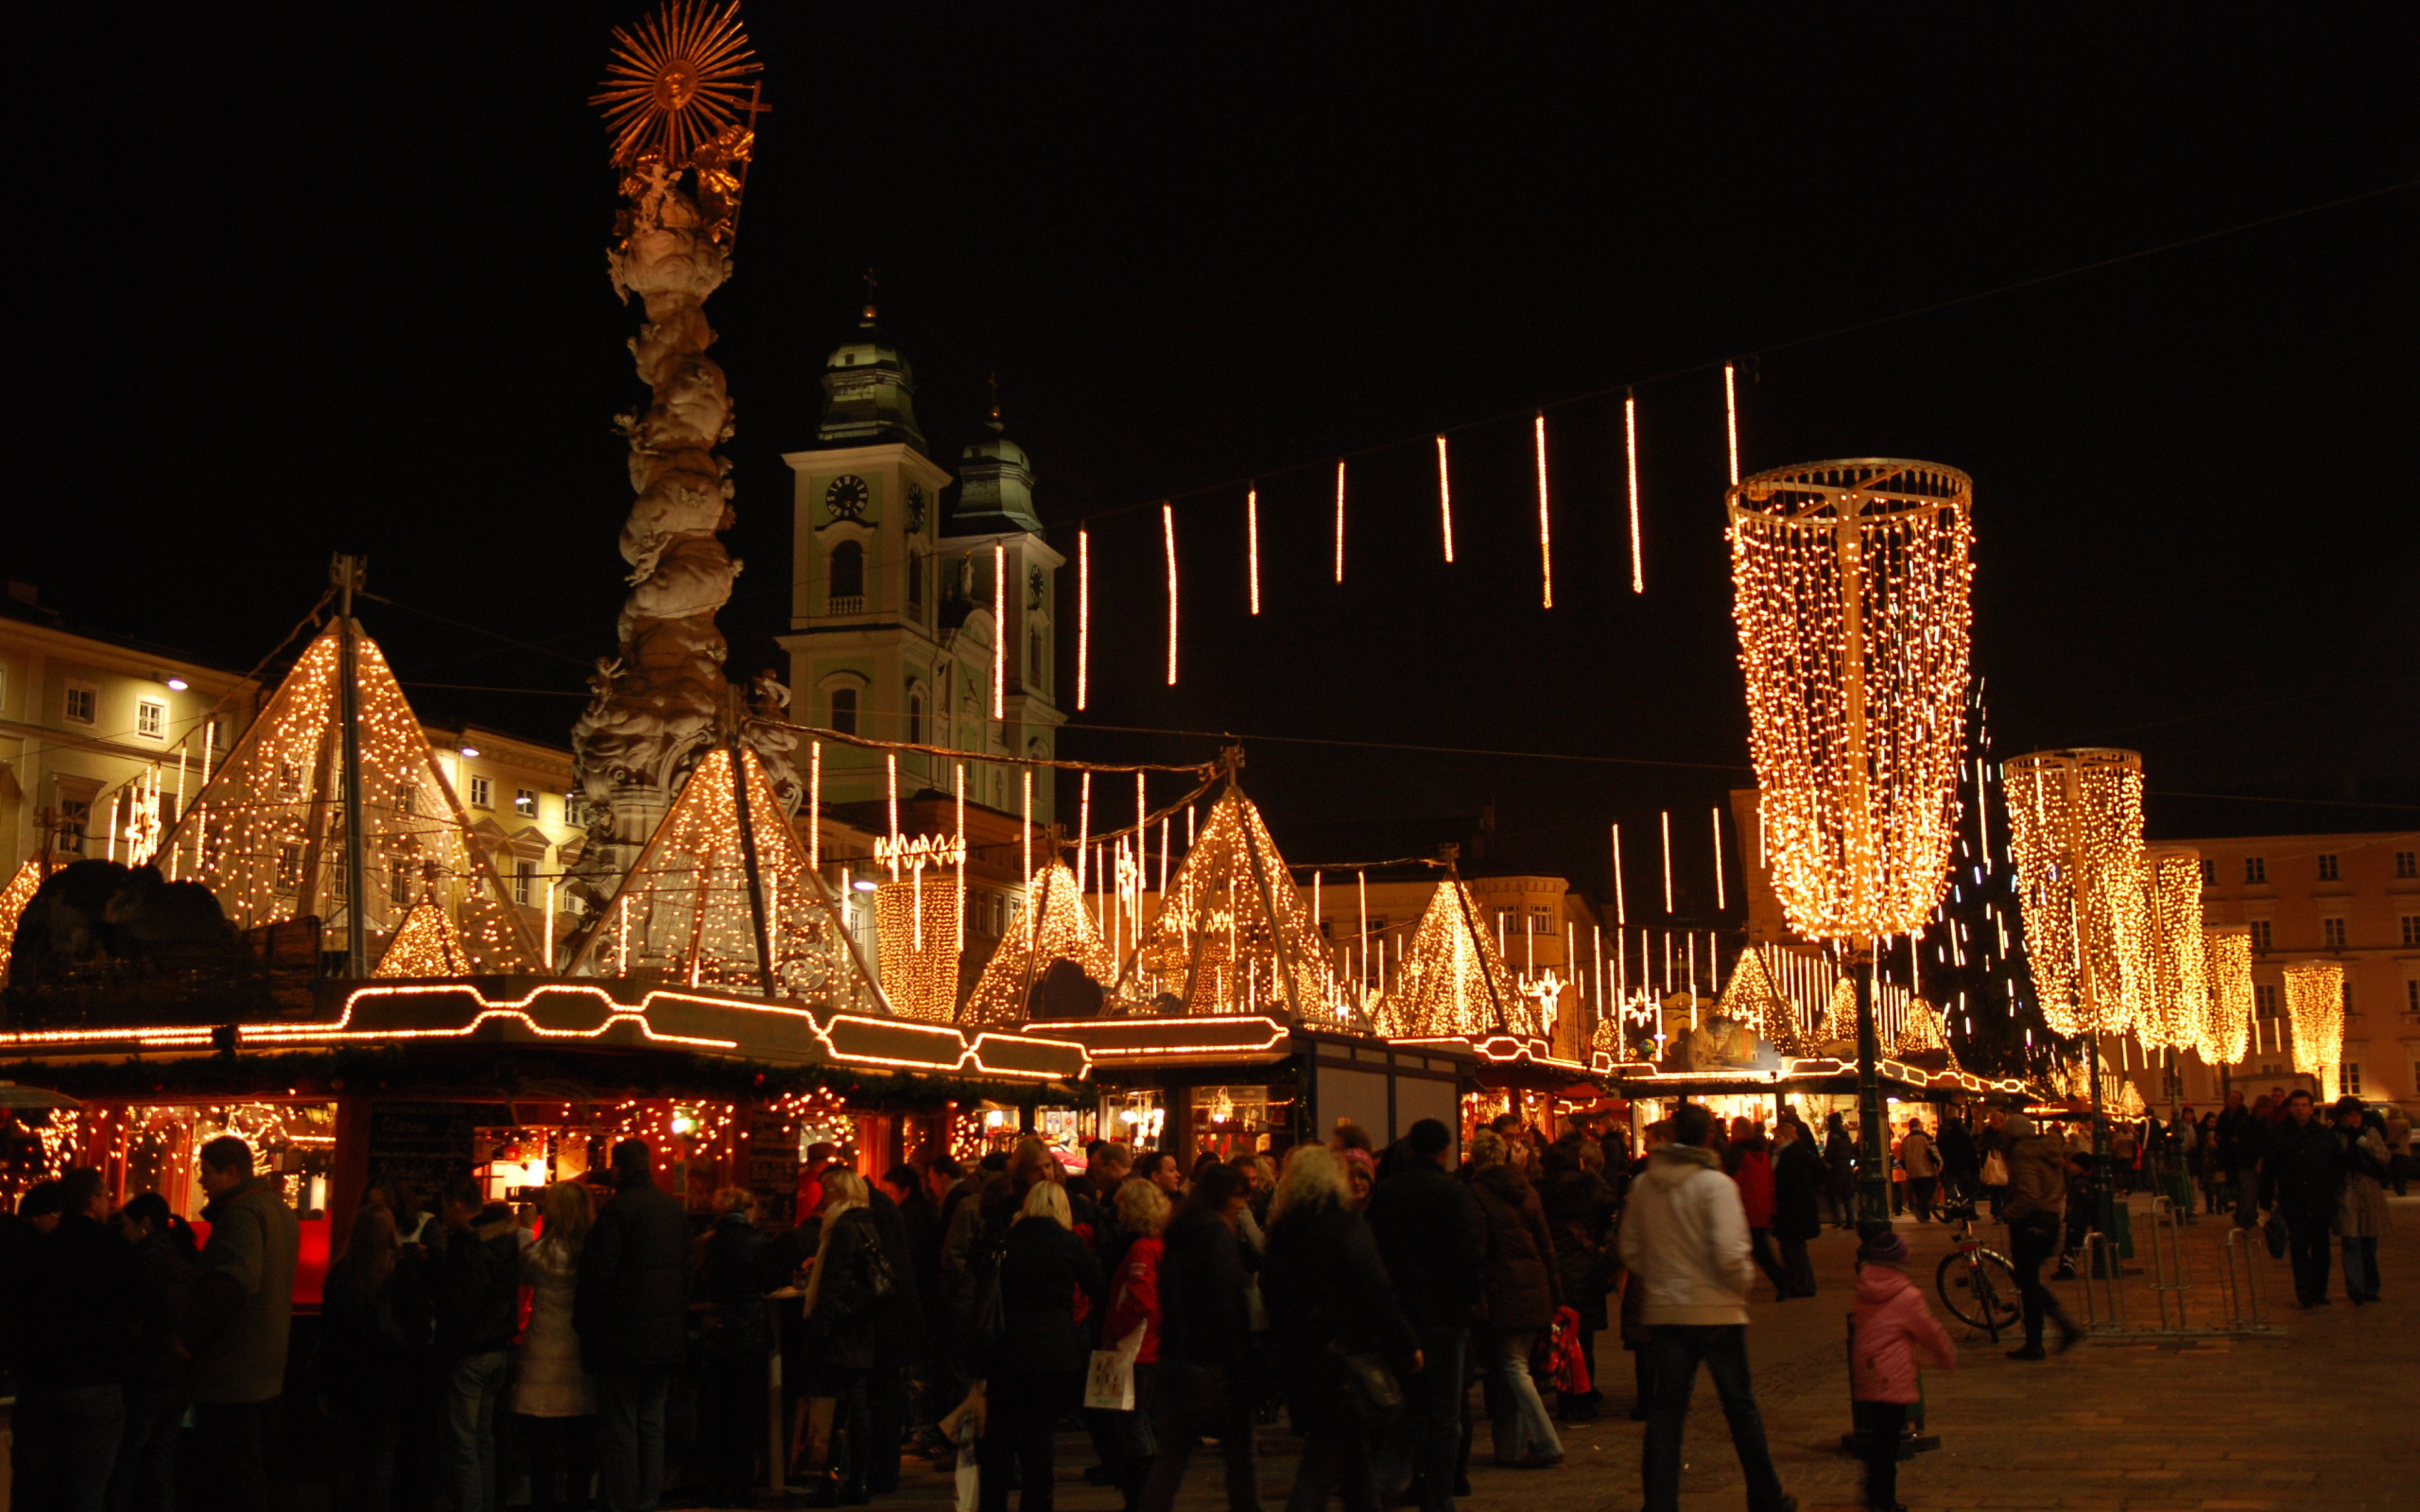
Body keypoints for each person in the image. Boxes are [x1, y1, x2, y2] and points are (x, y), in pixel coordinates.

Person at [1617, 1104, 1797, 1512]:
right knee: (1739, 1405)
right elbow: (1732, 1253)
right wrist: (1738, 1288)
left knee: (1667, 1412)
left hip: (1667, 1311)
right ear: (1708, 1139)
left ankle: (1660, 1502)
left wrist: (1662, 1278)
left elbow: (1629, 1247)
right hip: (1716, 1310)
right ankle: (1766, 1495)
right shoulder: (1714, 1185)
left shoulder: (1646, 1185)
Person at [1261, 1146, 1421, 1512]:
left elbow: (1271, 1291)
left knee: (1351, 1455)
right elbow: (1374, 1288)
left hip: (1302, 1353)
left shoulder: (1285, 1229)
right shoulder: (1343, 1223)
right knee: (1325, 1456)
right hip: (1344, 1354)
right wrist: (1405, 1341)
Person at [1363, 1119, 1484, 1512]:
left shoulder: (1386, 1195)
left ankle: (1400, 1479)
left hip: (1402, 1312)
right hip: (1445, 1315)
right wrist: (1467, 1300)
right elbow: (1468, 1255)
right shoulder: (1454, 1194)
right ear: (1445, 1150)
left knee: (1408, 1405)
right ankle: (1438, 1495)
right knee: (1446, 1412)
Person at [181, 1137, 302, 1512]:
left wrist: (188, 1339)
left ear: (231, 1172)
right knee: (249, 1470)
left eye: (207, 1172)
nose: (202, 1181)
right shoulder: (278, 1210)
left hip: (232, 1374)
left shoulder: (242, 1216)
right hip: (265, 1370)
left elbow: (234, 1281)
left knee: (230, 1476)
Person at [15, 1167, 143, 1512]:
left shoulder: (40, 1251)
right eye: (104, 1196)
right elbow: (139, 1308)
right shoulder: (115, 1250)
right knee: (85, 1493)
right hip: (96, 1381)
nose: (109, 1203)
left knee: (35, 1490)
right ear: (91, 1201)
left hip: (41, 1382)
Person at [1138, 1162, 1264, 1512]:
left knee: (1171, 1461)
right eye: (1240, 1196)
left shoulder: (1179, 1236)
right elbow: (1227, 1306)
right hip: (1215, 1365)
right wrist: (1241, 1365)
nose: (1243, 1204)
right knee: (1241, 1460)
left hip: (1177, 1358)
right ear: (1226, 1198)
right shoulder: (1217, 1238)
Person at [577, 1139, 693, 1512]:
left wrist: (587, 1326)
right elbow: (688, 1273)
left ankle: (623, 1501)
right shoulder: (673, 1212)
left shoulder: (617, 1212)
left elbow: (597, 1277)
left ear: (617, 1170)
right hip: (665, 1339)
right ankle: (648, 1498)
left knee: (621, 1427)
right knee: (651, 1422)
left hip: (622, 1339)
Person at [978, 1179, 1104, 1512]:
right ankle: (1037, 1501)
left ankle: (992, 1501)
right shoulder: (1069, 1243)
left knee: (1000, 1435)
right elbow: (1097, 1285)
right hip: (1054, 1348)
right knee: (1040, 1434)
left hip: (1007, 1347)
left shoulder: (1007, 1241)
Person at [317, 1205, 430, 1512]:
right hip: (391, 1383)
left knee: (346, 1462)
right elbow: (419, 1328)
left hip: (348, 1382)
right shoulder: (400, 1270)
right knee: (382, 1463)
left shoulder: (340, 1272)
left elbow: (328, 1335)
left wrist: (324, 1386)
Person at [1463, 1129, 1563, 1469]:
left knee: (1513, 1367)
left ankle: (1546, 1439)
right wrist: (1555, 1291)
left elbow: (1477, 1251)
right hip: (1534, 1286)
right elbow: (1546, 1244)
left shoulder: (1476, 1195)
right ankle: (1512, 1447)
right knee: (1520, 1368)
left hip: (1503, 1289)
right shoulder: (1527, 1190)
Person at [798, 1172, 889, 1504]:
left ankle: (830, 1479)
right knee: (857, 1402)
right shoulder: (868, 1224)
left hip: (841, 1330)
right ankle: (858, 1479)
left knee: (831, 1407)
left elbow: (836, 1280)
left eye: (827, 1192)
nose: (822, 1198)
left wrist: (823, 1323)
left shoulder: (843, 1227)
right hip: (861, 1330)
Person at [430, 1177, 520, 1512]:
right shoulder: (503, 1239)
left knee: (463, 1443)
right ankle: (487, 1501)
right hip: (499, 1349)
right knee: (483, 1438)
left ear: (455, 1204)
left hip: (472, 1352)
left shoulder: (471, 1246)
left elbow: (462, 1304)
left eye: (444, 1207)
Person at [1848, 1232, 1955, 1512]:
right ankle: (1883, 1500)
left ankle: (1874, 1491)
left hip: (1868, 1372)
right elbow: (1929, 1331)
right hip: (1892, 1377)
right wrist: (1947, 1356)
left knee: (1878, 1437)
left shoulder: (1864, 1288)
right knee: (1889, 1441)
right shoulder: (1907, 1296)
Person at [113, 1191, 202, 1512]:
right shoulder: (186, 1259)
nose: (122, 1232)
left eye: (126, 1225)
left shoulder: (141, 1263)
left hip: (146, 1374)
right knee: (161, 1459)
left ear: (144, 1224)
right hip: (178, 1376)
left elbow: (135, 1320)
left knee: (128, 1458)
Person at [514, 1182, 596, 1512]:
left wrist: (523, 1229)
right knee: (580, 1442)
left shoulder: (539, 1252)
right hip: (578, 1350)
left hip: (542, 1349)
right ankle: (578, 1501)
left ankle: (542, 1503)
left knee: (542, 1445)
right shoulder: (590, 1252)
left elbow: (521, 1270)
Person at [697, 1189, 771, 1506]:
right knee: (744, 1411)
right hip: (749, 1332)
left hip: (715, 1331)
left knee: (715, 1412)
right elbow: (770, 1282)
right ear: (748, 1209)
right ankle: (742, 1485)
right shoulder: (758, 1243)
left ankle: (714, 1485)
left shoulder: (706, 1242)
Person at [1099, 1179, 1170, 1510]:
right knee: (1140, 1420)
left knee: (1132, 1421)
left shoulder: (1142, 1248)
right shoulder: (1158, 1243)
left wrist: (1114, 1327)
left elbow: (1140, 1299)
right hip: (1151, 1345)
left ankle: (1143, 1496)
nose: (1119, 1212)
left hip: (1136, 1345)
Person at [1534, 1141, 1614, 1420]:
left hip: (1554, 1270)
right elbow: (1608, 1208)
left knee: (1560, 1336)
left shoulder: (1539, 1191)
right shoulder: (1589, 1188)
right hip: (1584, 1268)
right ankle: (1584, 1395)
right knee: (1585, 1338)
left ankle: (1566, 1396)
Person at [1997, 1115, 2081, 1358]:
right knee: (2029, 1281)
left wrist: (2008, 1213)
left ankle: (2051, 1334)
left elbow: (2028, 1194)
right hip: (2050, 1219)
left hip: (2031, 1222)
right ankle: (2043, 1338)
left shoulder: (2023, 1155)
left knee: (2028, 1283)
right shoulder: (2047, 1151)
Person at [2258, 1090, 2344, 1308]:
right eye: (2296, 1105)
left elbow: (2339, 1164)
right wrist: (2266, 1202)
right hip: (2294, 1199)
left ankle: (2320, 1289)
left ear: (2311, 1108)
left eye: (2304, 1105)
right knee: (2298, 1245)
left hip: (2321, 1199)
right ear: (2290, 1108)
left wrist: (2331, 1184)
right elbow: (2269, 1170)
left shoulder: (2324, 1134)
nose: (2300, 1109)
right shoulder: (2279, 1134)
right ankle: (2304, 1290)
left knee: (2321, 1248)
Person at [1723, 1121, 1791, 1298]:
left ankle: (1782, 1281)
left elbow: (1732, 1180)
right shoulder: (1764, 1153)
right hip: (1761, 1207)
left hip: (1744, 1208)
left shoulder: (1738, 1153)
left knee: (1755, 1251)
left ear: (1737, 1132)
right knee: (1760, 1249)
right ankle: (1783, 1281)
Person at [2332, 1098, 2390, 1305]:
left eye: (2357, 1114)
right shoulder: (2336, 1135)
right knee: (2351, 1241)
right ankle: (2355, 1287)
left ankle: (2371, 1287)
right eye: (2349, 1115)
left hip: (2370, 1191)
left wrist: (2361, 1140)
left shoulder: (2369, 1132)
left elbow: (2383, 1156)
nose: (2354, 1119)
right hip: (2347, 1191)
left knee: (2369, 1242)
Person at [1769, 1121, 1823, 1299]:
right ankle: (1798, 1284)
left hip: (1794, 1208)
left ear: (1787, 1137)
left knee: (1794, 1248)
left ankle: (1804, 1284)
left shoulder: (1792, 1154)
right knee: (1790, 1247)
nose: (1775, 1140)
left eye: (1778, 1136)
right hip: (1793, 1207)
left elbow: (1790, 1182)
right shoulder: (1789, 1153)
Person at [1898, 1120, 1939, 1223]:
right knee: (1927, 1192)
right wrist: (1938, 1163)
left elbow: (1902, 1159)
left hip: (1913, 1172)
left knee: (1919, 1193)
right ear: (1918, 1125)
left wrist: (1907, 1169)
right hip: (1926, 1170)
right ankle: (1920, 1209)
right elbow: (1931, 1153)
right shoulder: (1925, 1137)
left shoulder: (1905, 1140)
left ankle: (1925, 1216)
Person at [1822, 1114, 1857, 1230]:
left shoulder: (1833, 1135)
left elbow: (1829, 1153)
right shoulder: (1846, 1135)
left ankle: (1838, 1219)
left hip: (1836, 1169)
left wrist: (1825, 1161)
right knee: (1847, 1196)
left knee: (1832, 1195)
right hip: (1846, 1168)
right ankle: (1851, 1220)